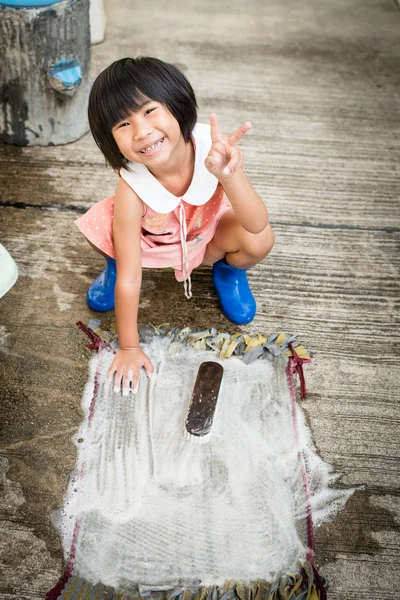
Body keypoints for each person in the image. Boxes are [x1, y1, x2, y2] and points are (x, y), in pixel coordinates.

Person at [75, 57, 275, 395]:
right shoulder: (131, 189)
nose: (141, 132)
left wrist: (231, 175)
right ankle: (108, 267)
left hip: (202, 235)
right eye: (123, 124)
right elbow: (132, 275)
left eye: (149, 110)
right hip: (146, 245)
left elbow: (256, 223)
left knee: (259, 240)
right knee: (104, 230)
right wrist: (128, 347)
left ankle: (227, 272)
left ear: (178, 103)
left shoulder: (212, 152)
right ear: (110, 141)